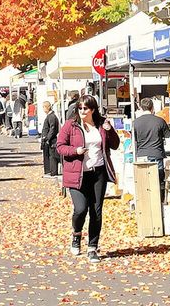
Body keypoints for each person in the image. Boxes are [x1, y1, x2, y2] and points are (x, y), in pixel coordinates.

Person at [57, 95, 119, 262]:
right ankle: (76, 235)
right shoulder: (71, 125)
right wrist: (75, 151)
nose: (82, 111)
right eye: (80, 108)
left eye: (85, 108)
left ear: (92, 109)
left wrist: (109, 130)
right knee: (80, 209)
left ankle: (93, 247)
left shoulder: (101, 124)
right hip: (77, 174)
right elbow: (60, 146)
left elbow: (115, 145)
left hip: (98, 172)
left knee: (96, 211)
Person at [132, 97, 170, 203]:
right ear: (152, 107)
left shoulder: (135, 123)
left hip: (141, 155)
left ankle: (145, 203)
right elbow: (168, 135)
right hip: (156, 153)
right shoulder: (160, 121)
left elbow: (133, 139)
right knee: (158, 181)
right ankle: (159, 202)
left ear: (140, 107)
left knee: (144, 181)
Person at [40, 100, 62, 177]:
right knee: (49, 155)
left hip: (51, 140)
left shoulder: (51, 116)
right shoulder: (51, 116)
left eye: (43, 107)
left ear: (46, 107)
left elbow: (52, 129)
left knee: (52, 156)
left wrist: (48, 138)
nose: (43, 109)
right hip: (49, 139)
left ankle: (52, 171)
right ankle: (50, 171)